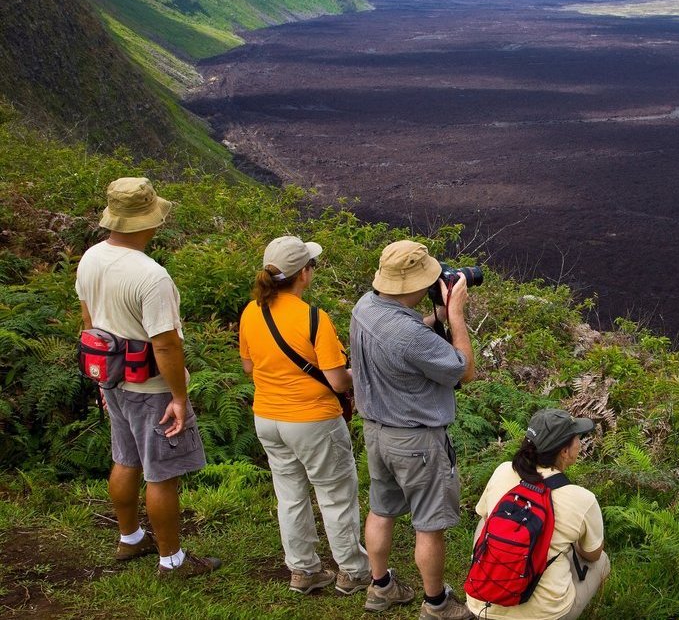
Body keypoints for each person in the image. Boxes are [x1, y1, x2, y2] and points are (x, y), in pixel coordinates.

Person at [75, 177, 219, 577]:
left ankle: (130, 537)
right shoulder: (151, 276)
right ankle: (172, 561)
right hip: (151, 387)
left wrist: (103, 379)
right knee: (161, 473)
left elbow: (89, 323)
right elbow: (167, 345)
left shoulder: (91, 258)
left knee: (125, 459)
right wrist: (178, 397)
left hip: (113, 379)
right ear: (147, 222)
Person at [238, 235, 371, 595]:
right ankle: (353, 571)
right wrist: (359, 373)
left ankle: (303, 570)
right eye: (311, 265)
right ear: (303, 274)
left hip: (267, 417)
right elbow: (338, 381)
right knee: (335, 495)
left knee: (291, 495)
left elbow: (249, 366)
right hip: (313, 420)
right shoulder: (314, 318)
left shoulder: (252, 311)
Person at [350, 240, 477, 618]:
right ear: (416, 283)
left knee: (382, 508)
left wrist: (434, 318)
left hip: (376, 432)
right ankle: (436, 604)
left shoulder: (365, 307)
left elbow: (406, 338)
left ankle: (380, 587)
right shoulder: (409, 337)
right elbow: (464, 370)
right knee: (429, 524)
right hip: (417, 441)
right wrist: (455, 315)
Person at [466, 409, 610, 620]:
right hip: (546, 615)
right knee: (601, 559)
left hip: (482, 603)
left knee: (486, 519)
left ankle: (488, 581)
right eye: (578, 438)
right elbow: (592, 555)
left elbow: (486, 519)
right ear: (564, 452)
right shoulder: (582, 499)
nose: (580, 443)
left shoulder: (503, 470)